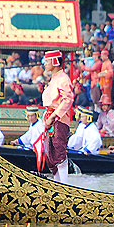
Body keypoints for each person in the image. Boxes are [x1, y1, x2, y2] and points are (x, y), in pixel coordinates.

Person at [41, 50, 74, 183]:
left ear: (55, 62)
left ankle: (64, 184)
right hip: (50, 118)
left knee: (59, 151)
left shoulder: (63, 79)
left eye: (47, 61)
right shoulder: (54, 79)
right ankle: (57, 182)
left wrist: (54, 116)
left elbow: (68, 99)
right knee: (51, 153)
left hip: (59, 119)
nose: (45, 64)